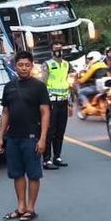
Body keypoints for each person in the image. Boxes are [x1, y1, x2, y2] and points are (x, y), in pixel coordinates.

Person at [0, 51, 50, 221]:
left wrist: (42, 139)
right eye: (20, 65)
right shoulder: (9, 87)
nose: (24, 68)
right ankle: (21, 207)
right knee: (17, 173)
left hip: (31, 137)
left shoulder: (39, 87)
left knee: (33, 174)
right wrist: (0, 136)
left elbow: (45, 113)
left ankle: (31, 208)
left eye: (27, 65)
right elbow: (5, 112)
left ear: (32, 66)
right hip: (13, 138)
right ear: (15, 66)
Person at [41, 41, 73, 170]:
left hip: (63, 101)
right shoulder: (47, 65)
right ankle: (46, 159)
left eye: (60, 49)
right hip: (52, 102)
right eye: (56, 49)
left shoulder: (66, 64)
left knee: (60, 131)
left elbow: (69, 83)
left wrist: (70, 103)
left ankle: (57, 157)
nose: (58, 51)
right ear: (51, 51)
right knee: (50, 131)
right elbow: (43, 83)